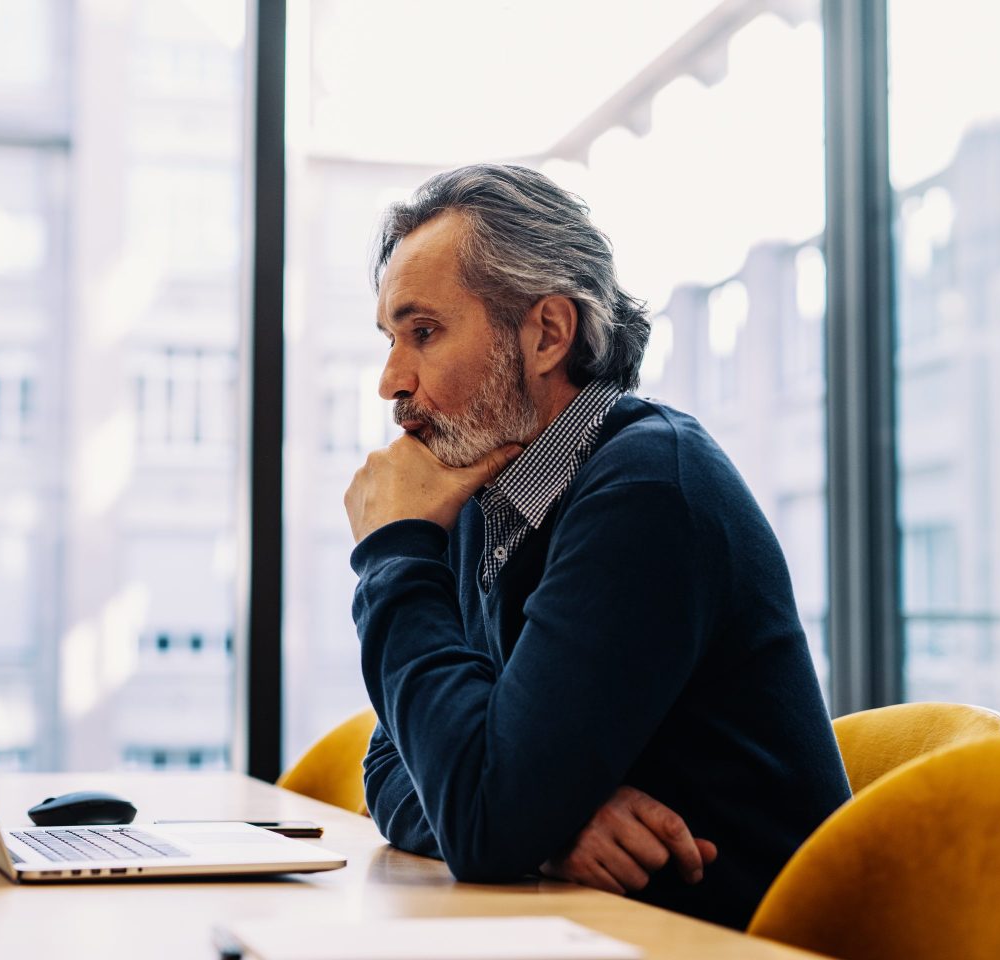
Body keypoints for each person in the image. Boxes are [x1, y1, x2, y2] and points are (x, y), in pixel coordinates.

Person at [343, 163, 851, 929]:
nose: (391, 381)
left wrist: (393, 552)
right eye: (391, 339)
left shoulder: (648, 489)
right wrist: (543, 830)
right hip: (609, 935)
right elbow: (393, 767)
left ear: (547, 332)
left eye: (424, 333)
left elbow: (481, 814)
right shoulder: (487, 498)